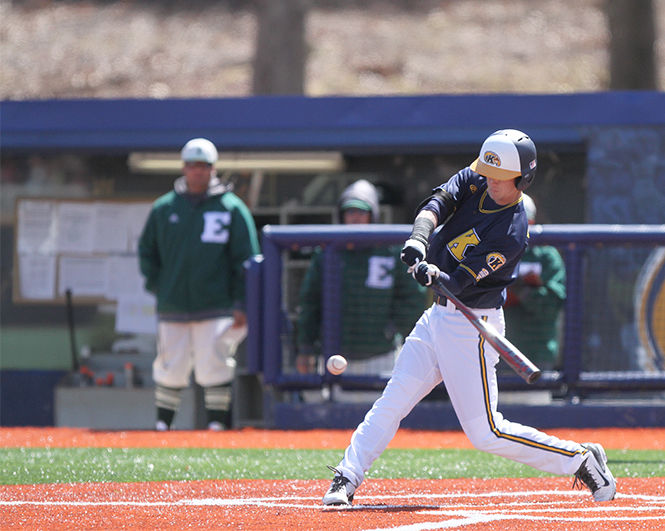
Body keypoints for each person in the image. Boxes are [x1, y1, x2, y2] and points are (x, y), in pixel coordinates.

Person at [322, 130, 616, 505]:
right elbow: (436, 204)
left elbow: (459, 282)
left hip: (472, 325)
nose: (491, 181)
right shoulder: (477, 177)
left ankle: (580, 459)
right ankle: (347, 477)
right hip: (438, 319)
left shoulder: (512, 230)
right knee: (393, 401)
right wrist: (418, 239)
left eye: (500, 177)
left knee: (487, 432)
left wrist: (435, 276)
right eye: (488, 173)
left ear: (522, 179)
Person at [138, 137, 260, 431]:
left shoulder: (231, 208)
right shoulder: (164, 208)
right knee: (170, 365)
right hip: (173, 304)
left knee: (215, 364)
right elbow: (147, 253)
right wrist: (161, 287)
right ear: (183, 168)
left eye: (203, 166)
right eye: (192, 166)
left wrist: (240, 302)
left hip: (217, 304)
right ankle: (162, 426)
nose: (198, 172)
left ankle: (216, 427)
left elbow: (247, 260)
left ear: (213, 169)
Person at [296, 179, 426, 384]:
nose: (355, 218)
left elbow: (412, 298)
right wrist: (305, 347)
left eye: (361, 212)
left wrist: (392, 329)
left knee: (383, 413)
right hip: (333, 353)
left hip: (381, 355)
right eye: (350, 212)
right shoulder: (327, 252)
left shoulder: (391, 250)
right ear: (342, 216)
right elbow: (310, 302)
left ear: (372, 215)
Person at [504, 194, 566, 370]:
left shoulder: (547, 256)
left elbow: (551, 307)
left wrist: (521, 290)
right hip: (495, 352)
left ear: (530, 222)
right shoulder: (490, 252)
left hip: (536, 356)